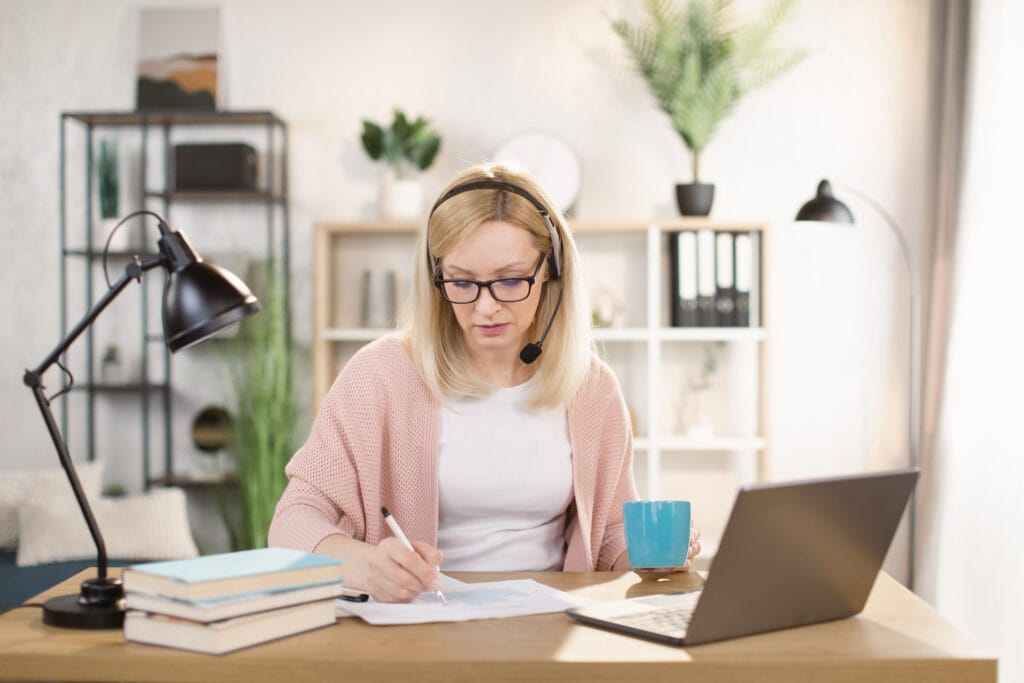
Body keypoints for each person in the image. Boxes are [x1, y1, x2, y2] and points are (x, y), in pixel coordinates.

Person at [268, 162, 700, 602]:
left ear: (552, 270)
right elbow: (291, 523)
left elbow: (606, 533)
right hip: (422, 625)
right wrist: (366, 566)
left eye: (511, 280)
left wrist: (652, 558)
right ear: (436, 279)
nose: (486, 307)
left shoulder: (591, 388)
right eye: (461, 282)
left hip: (548, 624)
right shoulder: (379, 377)